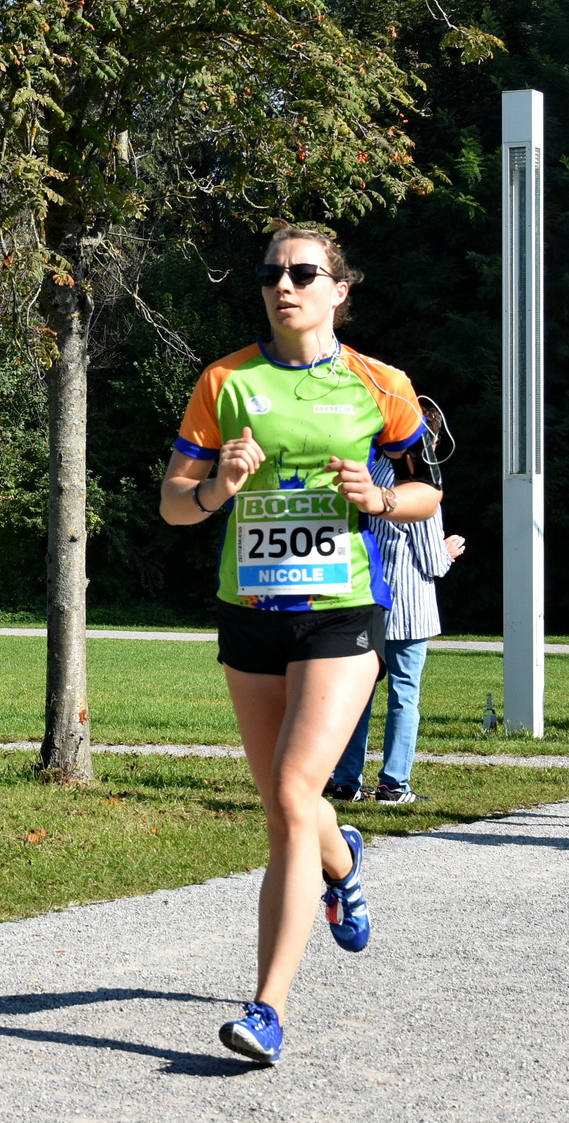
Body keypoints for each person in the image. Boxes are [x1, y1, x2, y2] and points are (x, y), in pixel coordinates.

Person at [159, 227, 441, 1064]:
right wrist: (217, 485)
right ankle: (342, 861)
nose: (285, 284)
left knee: (290, 791)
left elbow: (427, 491)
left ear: (339, 288)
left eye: (303, 272)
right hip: (249, 610)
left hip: (342, 610)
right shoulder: (226, 381)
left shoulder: (380, 384)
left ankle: (268, 1010)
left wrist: (383, 499)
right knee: (291, 802)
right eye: (273, 273)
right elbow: (175, 504)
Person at [327, 460, 463, 805]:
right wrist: (448, 553)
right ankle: (394, 784)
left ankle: (345, 781)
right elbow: (432, 560)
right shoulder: (419, 488)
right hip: (408, 605)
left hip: (362, 599)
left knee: (357, 696)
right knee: (404, 696)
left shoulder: (363, 472)